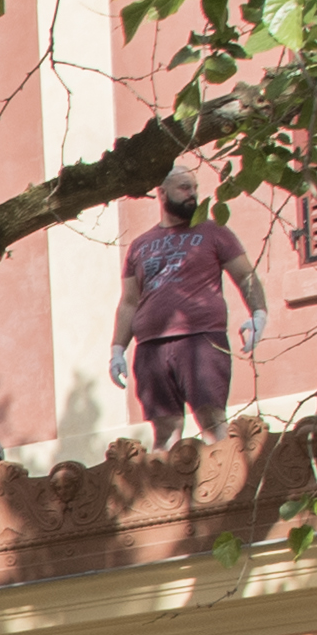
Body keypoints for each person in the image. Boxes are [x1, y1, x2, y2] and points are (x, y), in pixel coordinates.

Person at [114, 169, 271, 439]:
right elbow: (129, 301)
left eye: (195, 188)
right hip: (151, 347)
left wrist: (258, 314)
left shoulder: (214, 231)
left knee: (211, 418)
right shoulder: (140, 245)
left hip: (201, 339)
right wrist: (117, 348)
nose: (193, 194)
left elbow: (245, 274)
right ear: (161, 193)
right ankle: (167, 482)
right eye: (184, 188)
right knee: (165, 430)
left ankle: (228, 479)